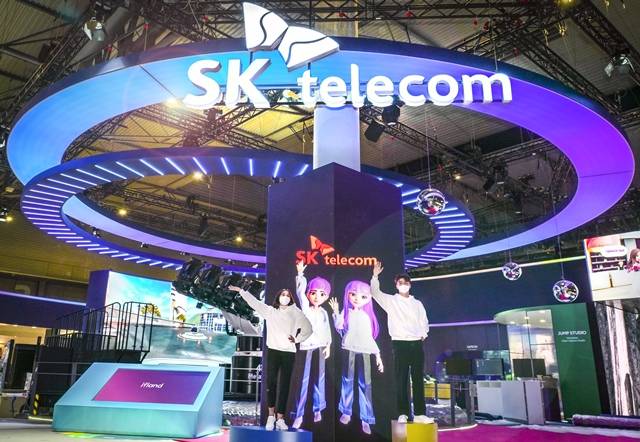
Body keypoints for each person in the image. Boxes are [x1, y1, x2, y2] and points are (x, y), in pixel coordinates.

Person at [229, 285, 312, 431]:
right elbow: (254, 303)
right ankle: (271, 416)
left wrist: (297, 339)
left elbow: (308, 329)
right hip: (273, 351)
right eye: (283, 294)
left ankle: (280, 418)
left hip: (289, 353)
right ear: (278, 297)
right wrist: (241, 291)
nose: (285, 297)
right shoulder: (270, 311)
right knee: (271, 383)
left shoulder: (296, 312)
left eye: (287, 295)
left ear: (291, 298)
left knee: (285, 385)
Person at [370, 261, 432, 424]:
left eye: (405, 282)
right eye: (400, 283)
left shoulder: (417, 303)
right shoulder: (391, 301)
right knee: (401, 378)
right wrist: (375, 276)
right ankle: (403, 413)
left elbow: (424, 321)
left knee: (417, 379)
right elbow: (375, 293)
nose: (403, 285)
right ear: (396, 285)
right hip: (399, 343)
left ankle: (419, 414)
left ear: (410, 285)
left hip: (416, 344)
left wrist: (423, 334)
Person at [328, 280, 383, 435]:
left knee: (366, 384)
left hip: (365, 350)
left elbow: (369, 337)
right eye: (353, 294)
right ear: (348, 295)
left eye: (363, 296)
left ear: (368, 298)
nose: (357, 298)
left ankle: (366, 418)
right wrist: (336, 312)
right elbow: (339, 326)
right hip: (349, 348)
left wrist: (378, 356)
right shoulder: (347, 313)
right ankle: (346, 411)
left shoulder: (367, 316)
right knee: (347, 380)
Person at [292, 261, 333, 429]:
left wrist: (328, 345)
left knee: (320, 378)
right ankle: (299, 414)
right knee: (303, 380)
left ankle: (318, 408)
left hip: (321, 346)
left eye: (322, 294)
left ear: (326, 296)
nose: (317, 297)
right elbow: (300, 293)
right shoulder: (306, 308)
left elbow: (327, 329)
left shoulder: (324, 312)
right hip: (307, 346)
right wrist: (300, 274)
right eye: (313, 293)